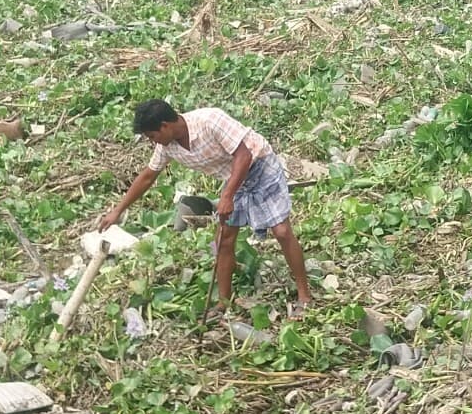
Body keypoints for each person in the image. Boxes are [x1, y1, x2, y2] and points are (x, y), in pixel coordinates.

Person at [98, 99, 314, 318]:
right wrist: (118, 211)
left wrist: (227, 196)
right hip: (234, 178)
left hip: (260, 166)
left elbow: (244, 155)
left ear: (165, 126)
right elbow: (147, 177)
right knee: (223, 240)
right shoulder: (166, 146)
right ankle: (223, 303)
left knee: (281, 231)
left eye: (152, 136)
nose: (153, 142)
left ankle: (305, 297)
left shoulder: (210, 120)